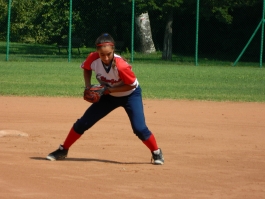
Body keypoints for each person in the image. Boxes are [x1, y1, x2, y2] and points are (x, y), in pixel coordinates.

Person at [46, 33, 164, 165]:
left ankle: (156, 152)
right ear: (97, 52)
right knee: (83, 123)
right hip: (108, 96)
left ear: (113, 51)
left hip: (130, 95)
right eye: (102, 54)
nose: (106, 57)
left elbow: (130, 85)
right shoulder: (93, 58)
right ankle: (63, 150)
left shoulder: (121, 66)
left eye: (109, 54)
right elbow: (86, 69)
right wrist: (88, 86)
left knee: (139, 129)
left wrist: (109, 90)